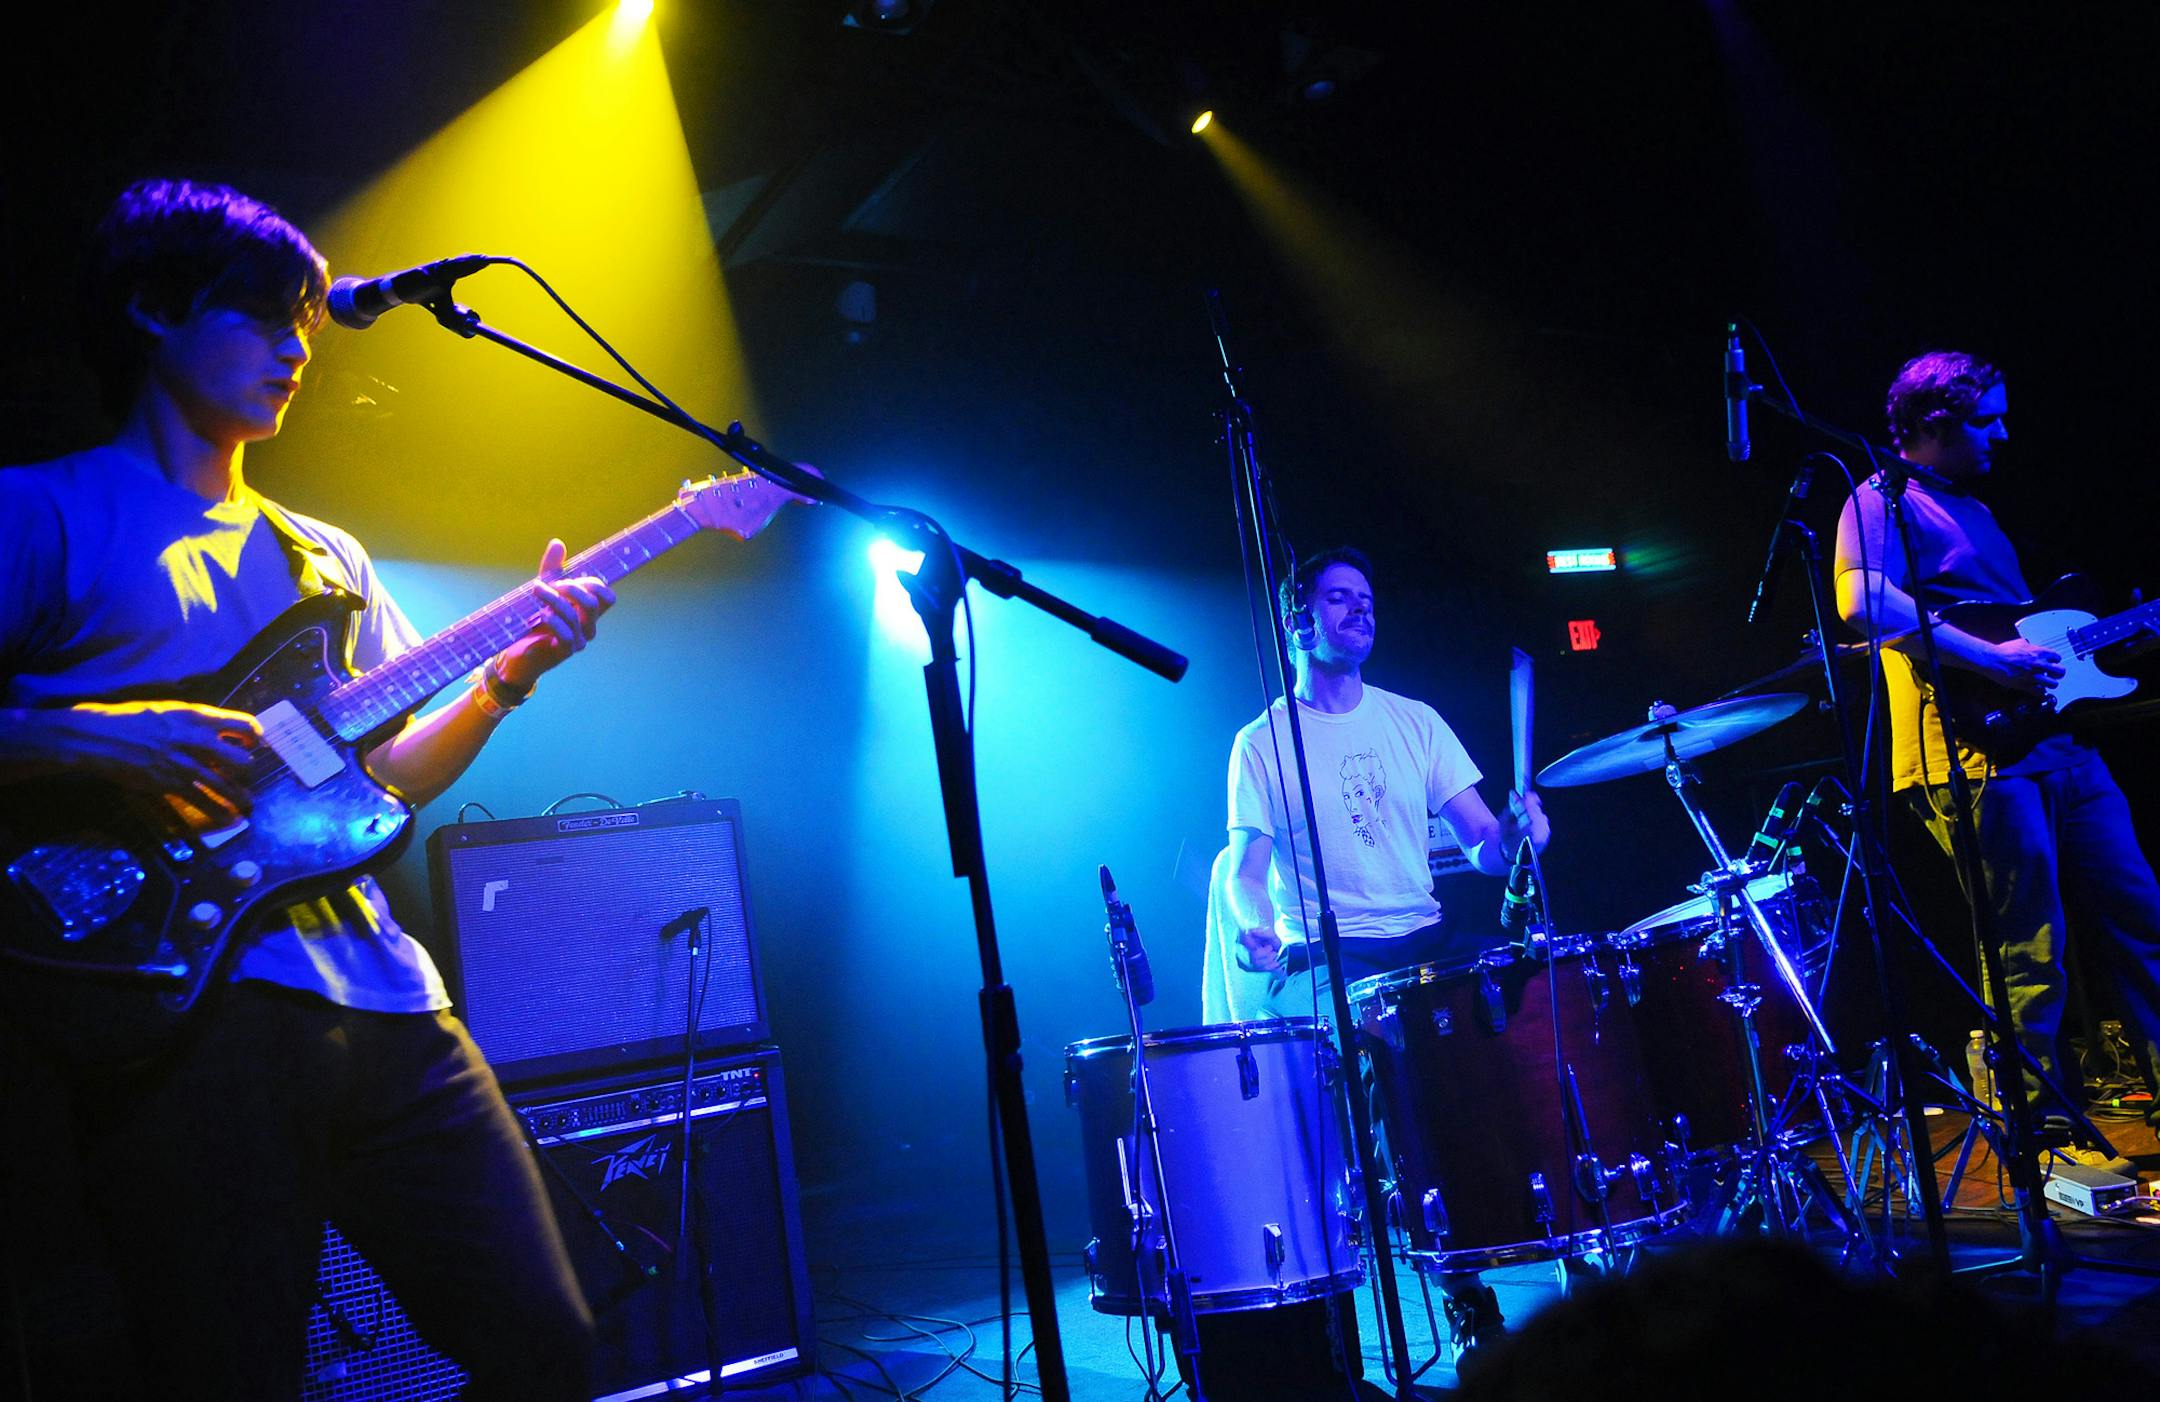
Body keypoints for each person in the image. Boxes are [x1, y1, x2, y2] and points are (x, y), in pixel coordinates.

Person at [0, 180, 614, 1399]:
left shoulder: (324, 556)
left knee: (551, 1346)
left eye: (306, 326)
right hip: (186, 1013)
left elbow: (386, 777)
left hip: (388, 1001)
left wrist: (500, 682)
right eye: (262, 317)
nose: (294, 348)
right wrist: (101, 740)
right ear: (152, 309)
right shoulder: (43, 510)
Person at [1833, 348, 2160, 1171]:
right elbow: (1862, 599)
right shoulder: (1879, 499)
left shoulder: (1974, 509)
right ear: (1935, 427)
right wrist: (1999, 665)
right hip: (1973, 758)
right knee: (2028, 950)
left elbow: (2034, 632)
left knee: (2142, 916)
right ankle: (2038, 1144)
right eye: (1989, 420)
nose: (2004, 434)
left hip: (2059, 748)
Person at [1221, 545, 1549, 1359]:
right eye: (1340, 599)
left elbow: (1484, 849)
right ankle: (1459, 1298)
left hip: (1423, 935)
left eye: (1367, 598)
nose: (1361, 611)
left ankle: (1562, 1213)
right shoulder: (1261, 743)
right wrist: (1253, 924)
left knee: (1539, 994)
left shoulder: (1415, 720)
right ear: (1300, 618)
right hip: (1339, 954)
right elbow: (1247, 870)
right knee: (1393, 1097)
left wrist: (1519, 833)